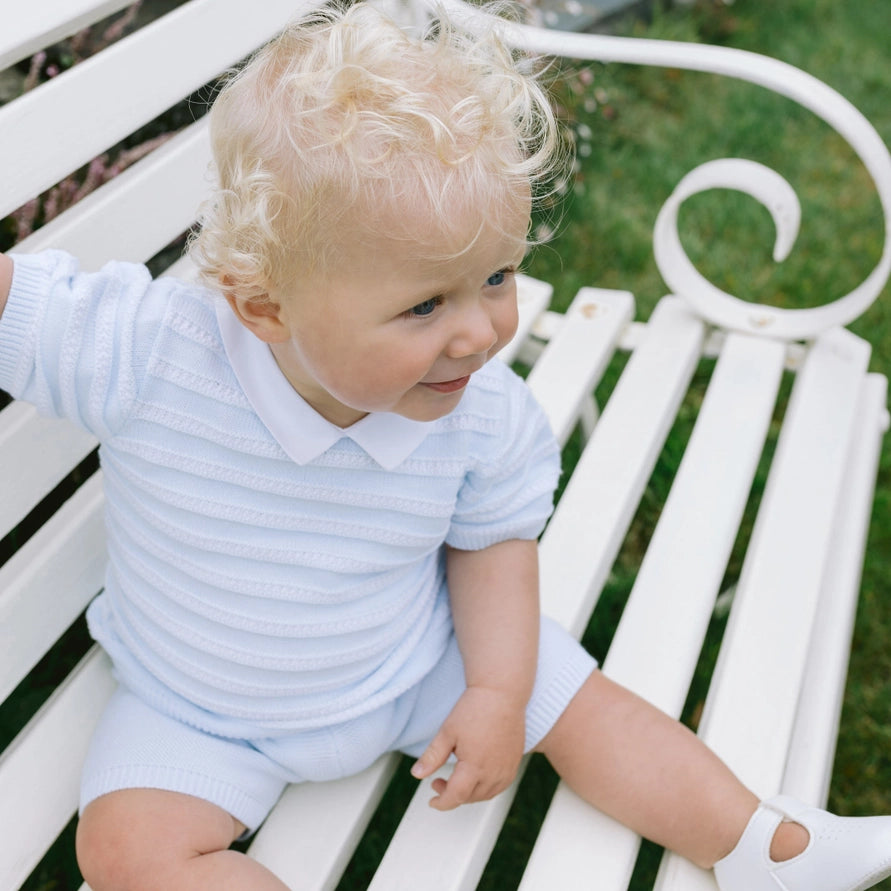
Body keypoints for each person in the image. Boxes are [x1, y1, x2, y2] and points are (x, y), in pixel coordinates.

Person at [0, 4, 889, 890]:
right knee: (123, 850)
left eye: (496, 276)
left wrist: (496, 693)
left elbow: (491, 544)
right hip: (196, 706)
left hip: (413, 659)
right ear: (265, 305)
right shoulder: (147, 351)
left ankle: (760, 846)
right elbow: (18, 305)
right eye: (425, 305)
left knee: (583, 707)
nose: (479, 333)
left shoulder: (477, 412)